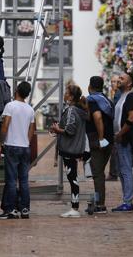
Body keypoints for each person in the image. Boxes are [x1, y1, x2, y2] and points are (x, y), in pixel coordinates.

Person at [0, 81, 35, 219]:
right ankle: (25, 209)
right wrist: (26, 142)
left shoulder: (10, 106)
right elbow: (32, 130)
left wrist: (0, 144)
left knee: (11, 180)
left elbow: (5, 125)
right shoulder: (30, 109)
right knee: (24, 180)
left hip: (11, 146)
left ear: (17, 90)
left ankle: (11, 209)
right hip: (25, 147)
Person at [50, 84, 88, 218]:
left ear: (71, 96)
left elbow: (70, 130)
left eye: (66, 92)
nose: (64, 94)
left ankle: (75, 207)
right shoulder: (79, 110)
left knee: (72, 178)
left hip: (69, 148)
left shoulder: (72, 110)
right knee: (73, 177)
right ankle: (74, 206)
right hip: (75, 148)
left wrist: (57, 130)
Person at [85, 76, 114, 214]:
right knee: (99, 171)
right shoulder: (107, 100)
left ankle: (100, 204)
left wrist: (101, 138)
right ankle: (98, 200)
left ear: (90, 86)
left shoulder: (92, 100)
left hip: (99, 141)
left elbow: (97, 117)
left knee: (97, 173)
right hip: (109, 140)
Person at [112, 73, 133, 213]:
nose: (118, 80)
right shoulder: (121, 96)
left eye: (122, 79)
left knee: (126, 169)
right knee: (122, 170)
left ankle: (128, 202)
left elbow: (132, 117)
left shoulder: (131, 97)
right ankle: (126, 200)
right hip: (119, 138)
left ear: (129, 84)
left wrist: (120, 133)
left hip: (125, 138)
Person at [107, 74, 121, 181]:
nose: (113, 84)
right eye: (112, 81)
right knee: (116, 149)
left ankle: (113, 174)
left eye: (115, 82)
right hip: (116, 125)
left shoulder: (118, 94)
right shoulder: (115, 93)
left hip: (118, 126)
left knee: (114, 149)